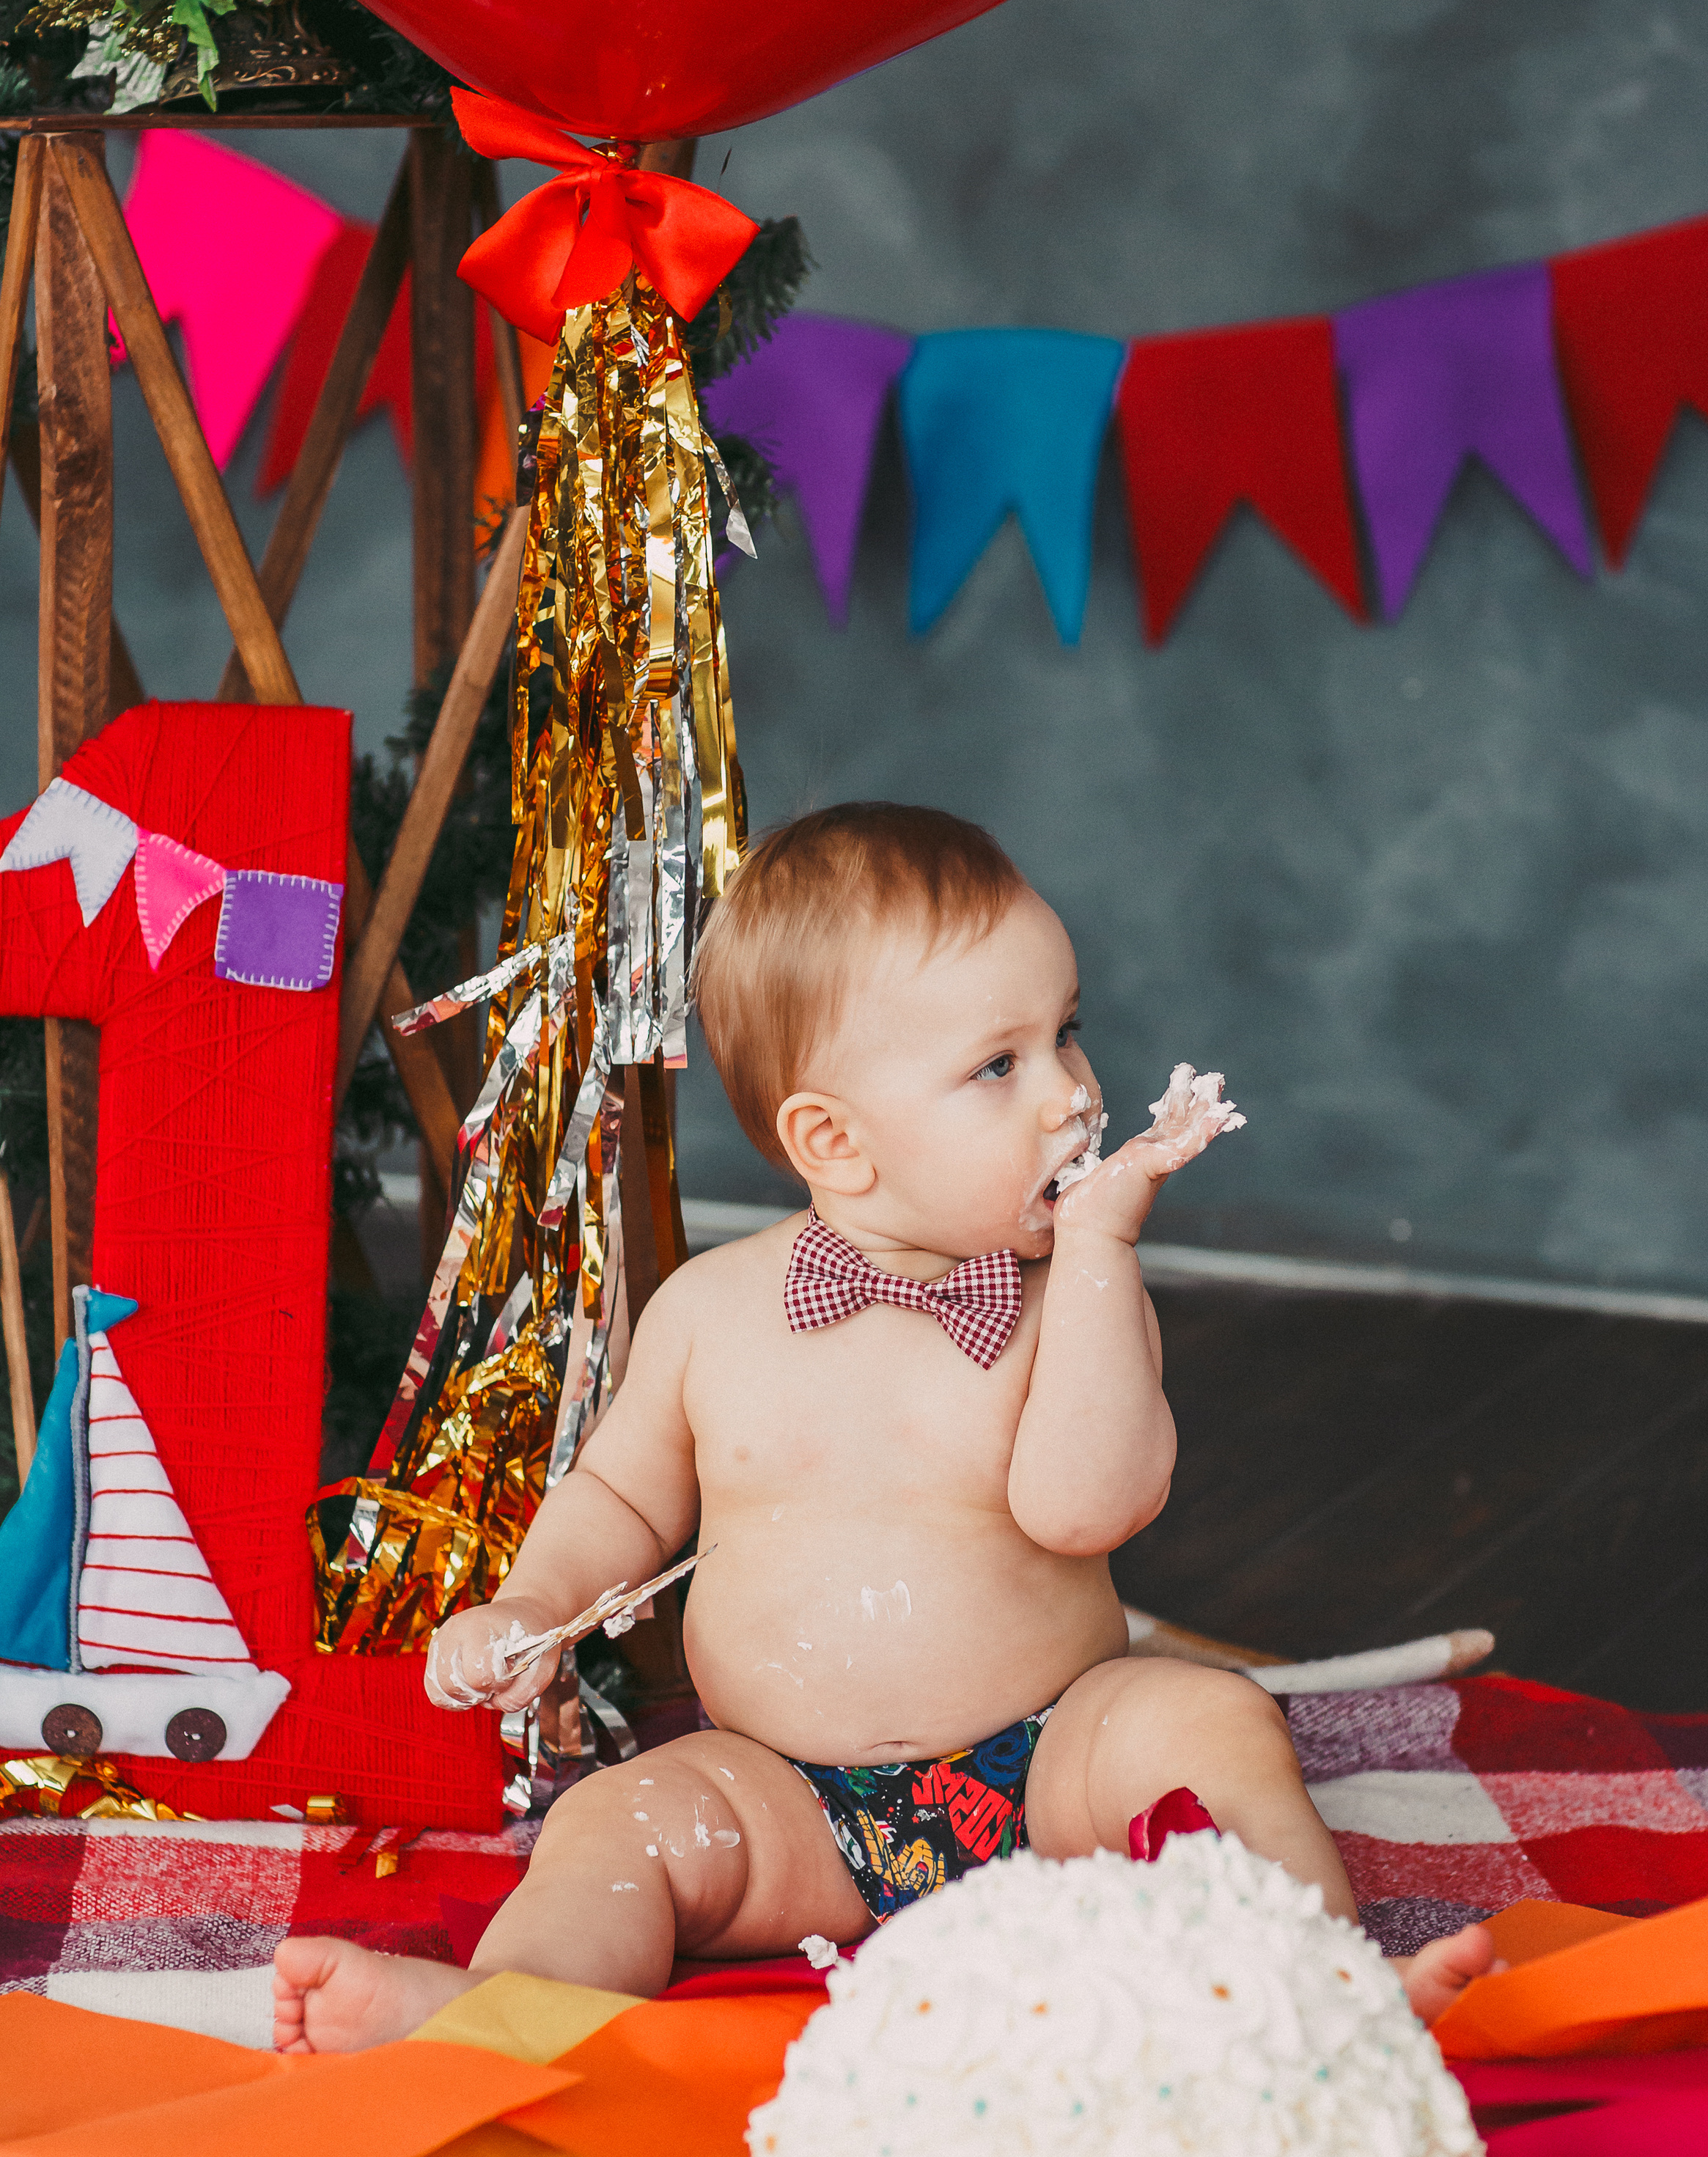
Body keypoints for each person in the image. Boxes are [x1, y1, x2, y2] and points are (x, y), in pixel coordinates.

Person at [275, 804, 1495, 2051]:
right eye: (999, 1066)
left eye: (1066, 1033)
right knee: (615, 1821)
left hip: (1048, 1764)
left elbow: (1087, 1508)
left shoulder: (1067, 1305)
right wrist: (532, 1608)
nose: (1074, 1096)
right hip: (788, 1798)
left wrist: (1098, 1254)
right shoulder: (712, 1312)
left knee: (1212, 1722)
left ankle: (1321, 1987)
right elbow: (622, 1501)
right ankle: (504, 2010)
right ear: (835, 1143)